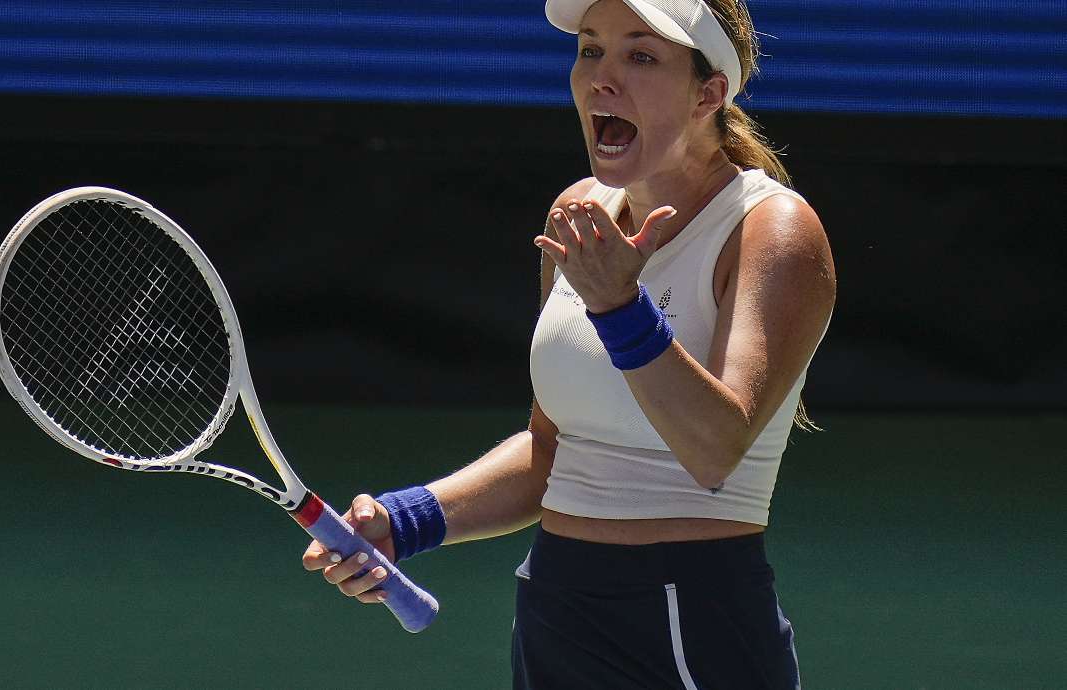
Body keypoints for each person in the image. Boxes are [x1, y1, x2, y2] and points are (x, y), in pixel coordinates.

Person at [303, 0, 835, 686]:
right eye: (590, 50)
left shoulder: (773, 230)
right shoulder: (577, 216)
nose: (600, 79)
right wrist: (406, 521)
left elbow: (714, 452)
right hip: (555, 605)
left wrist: (619, 306)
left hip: (690, 618)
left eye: (640, 56)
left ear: (710, 93)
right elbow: (552, 450)